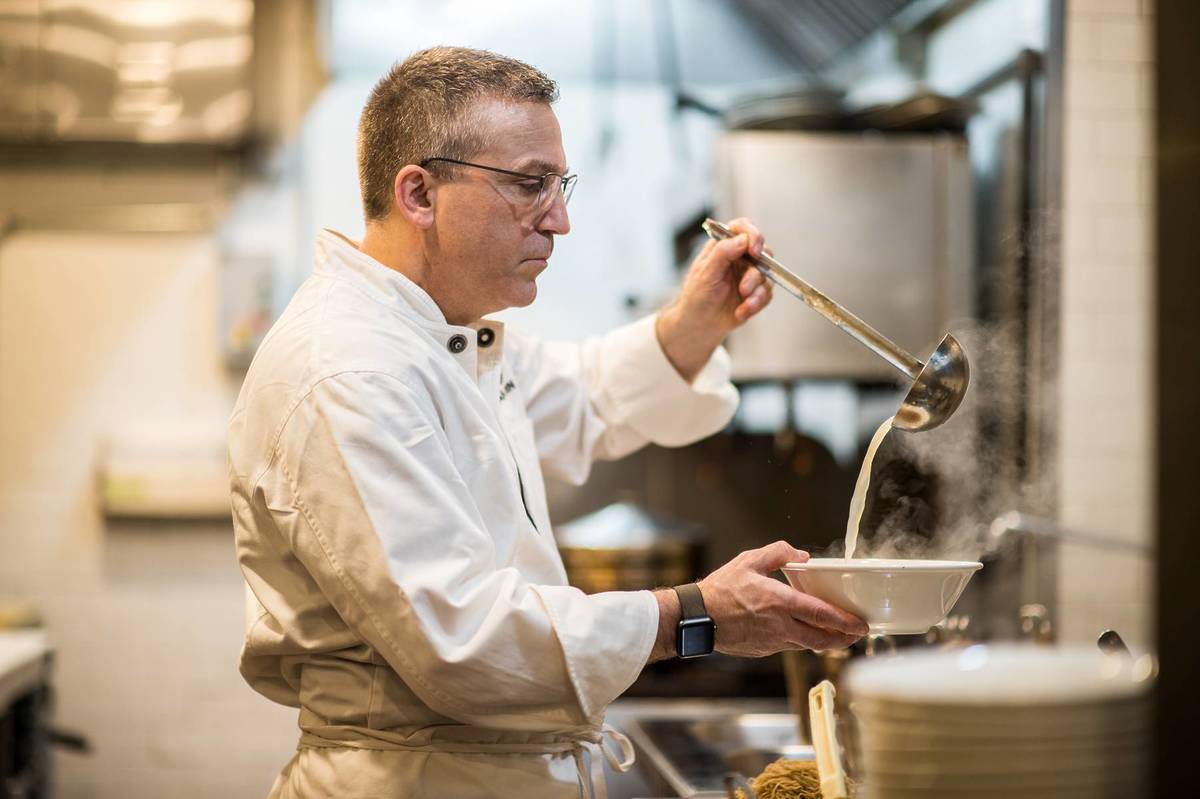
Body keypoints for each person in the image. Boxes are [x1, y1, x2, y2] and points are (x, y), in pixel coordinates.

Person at [228, 46, 867, 799]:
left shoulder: (442, 337)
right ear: (419, 194)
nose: (558, 219)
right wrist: (699, 615)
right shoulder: (349, 369)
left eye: (559, 186)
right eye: (530, 185)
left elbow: (584, 397)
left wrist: (693, 324)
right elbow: (463, 644)